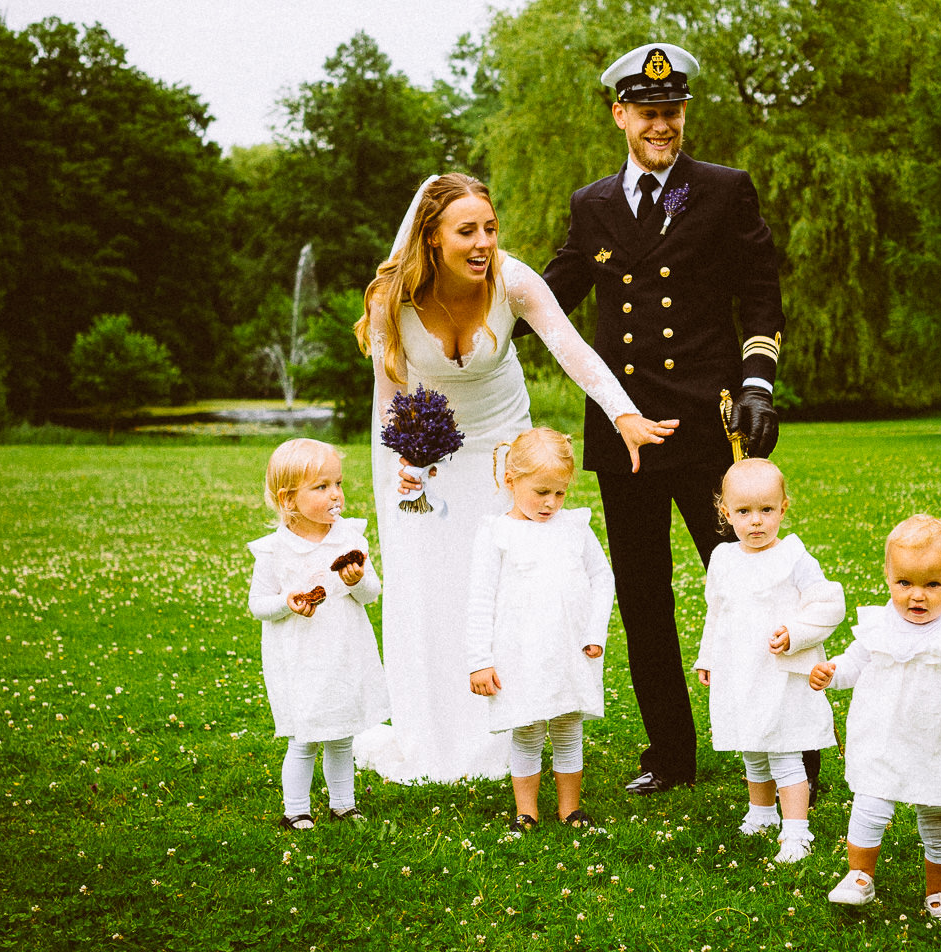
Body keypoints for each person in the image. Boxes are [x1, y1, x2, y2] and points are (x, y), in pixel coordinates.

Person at [534, 43, 799, 797]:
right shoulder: (592, 204)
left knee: (748, 584)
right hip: (624, 432)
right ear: (620, 115)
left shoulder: (722, 190)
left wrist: (758, 382)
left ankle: (791, 746)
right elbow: (551, 296)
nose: (663, 126)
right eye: (649, 113)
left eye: (673, 112)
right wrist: (466, 313)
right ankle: (671, 755)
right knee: (644, 595)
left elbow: (759, 292)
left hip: (707, 425)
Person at [354, 172, 676, 785]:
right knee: (434, 582)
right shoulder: (389, 300)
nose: (483, 243)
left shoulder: (514, 281)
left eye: (490, 228)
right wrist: (407, 460)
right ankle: (438, 733)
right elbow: (390, 391)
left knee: (511, 583)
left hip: (505, 450)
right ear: (431, 239)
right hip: (430, 452)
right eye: (466, 231)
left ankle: (512, 725)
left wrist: (623, 413)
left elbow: (574, 350)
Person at [810, 516, 941, 924]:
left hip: (939, 740)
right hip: (884, 734)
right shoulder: (880, 625)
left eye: (932, 584)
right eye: (904, 583)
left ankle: (939, 893)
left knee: (938, 816)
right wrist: (832, 673)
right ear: (889, 577)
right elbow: (856, 663)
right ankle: (859, 875)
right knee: (870, 801)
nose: (917, 595)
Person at [694, 460, 844, 862]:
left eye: (766, 510)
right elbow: (717, 612)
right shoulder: (723, 558)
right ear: (726, 513)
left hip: (780, 676)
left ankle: (796, 831)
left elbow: (829, 605)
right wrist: (708, 657)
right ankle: (760, 813)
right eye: (744, 512)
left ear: (783, 508)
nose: (755, 521)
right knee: (752, 747)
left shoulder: (794, 557)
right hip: (740, 672)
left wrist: (796, 633)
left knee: (783, 749)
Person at [467, 429, 614, 832]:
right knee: (528, 729)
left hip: (569, 650)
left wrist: (594, 633)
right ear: (511, 481)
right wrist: (480, 661)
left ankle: (570, 809)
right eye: (541, 492)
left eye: (560, 493)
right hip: (521, 653)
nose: (551, 503)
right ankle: (525, 812)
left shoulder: (575, 528)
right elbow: (480, 599)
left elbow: (603, 578)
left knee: (568, 727)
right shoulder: (496, 533)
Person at [247, 439, 387, 829]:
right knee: (305, 737)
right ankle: (296, 810)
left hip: (344, 651)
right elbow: (258, 604)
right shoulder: (275, 551)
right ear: (288, 498)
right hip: (299, 659)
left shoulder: (350, 539)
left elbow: (372, 594)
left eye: (338, 484)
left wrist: (357, 581)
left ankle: (343, 803)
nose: (336, 495)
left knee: (342, 735)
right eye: (322, 487)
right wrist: (286, 601)